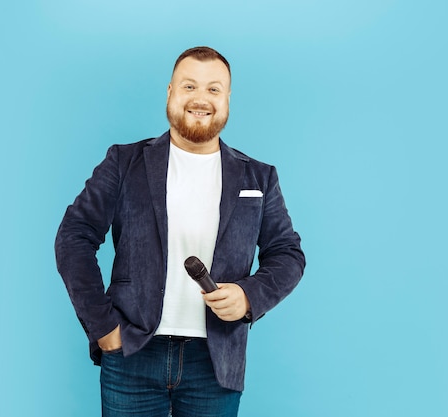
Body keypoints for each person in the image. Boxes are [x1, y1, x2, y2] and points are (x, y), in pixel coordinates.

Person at [55, 46, 305, 417]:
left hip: (216, 362)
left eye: (213, 89)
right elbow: (74, 236)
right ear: (171, 92)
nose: (201, 98)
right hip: (134, 353)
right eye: (189, 86)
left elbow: (288, 254)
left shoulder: (259, 177)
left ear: (228, 99)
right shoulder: (124, 162)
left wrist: (249, 296)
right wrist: (102, 326)